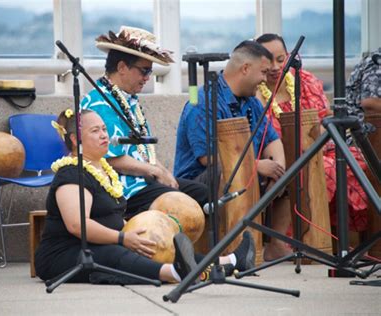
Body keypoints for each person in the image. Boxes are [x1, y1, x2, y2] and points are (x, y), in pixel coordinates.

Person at [34, 109, 256, 284]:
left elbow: (109, 217)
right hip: (64, 254)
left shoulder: (104, 170)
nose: (104, 135)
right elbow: (77, 225)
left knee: (152, 245)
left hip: (104, 242)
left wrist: (138, 232)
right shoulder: (72, 173)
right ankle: (175, 273)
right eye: (95, 131)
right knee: (114, 253)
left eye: (104, 129)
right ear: (75, 139)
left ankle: (228, 262)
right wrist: (122, 238)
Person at [174, 40, 291, 261]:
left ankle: (274, 244)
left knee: (288, 171)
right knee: (227, 173)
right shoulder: (202, 101)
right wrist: (256, 166)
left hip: (242, 170)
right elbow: (207, 158)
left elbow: (272, 141)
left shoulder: (252, 102)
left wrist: (278, 170)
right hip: (199, 180)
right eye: (264, 72)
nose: (266, 79)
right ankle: (231, 249)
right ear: (245, 68)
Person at [80, 26, 207, 219]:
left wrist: (164, 172)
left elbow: (144, 150)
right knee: (179, 203)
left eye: (150, 71)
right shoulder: (99, 102)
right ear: (122, 67)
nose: (147, 78)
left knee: (203, 193)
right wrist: (155, 171)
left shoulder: (127, 98)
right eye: (144, 71)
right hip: (123, 189)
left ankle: (217, 249)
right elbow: (111, 158)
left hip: (144, 182)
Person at [255, 34, 369, 233]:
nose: (274, 67)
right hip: (285, 158)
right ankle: (310, 234)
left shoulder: (305, 80)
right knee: (323, 169)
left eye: (280, 60)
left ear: (289, 56)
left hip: (319, 148)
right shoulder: (255, 93)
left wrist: (317, 140)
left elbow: (325, 118)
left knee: (357, 161)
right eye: (267, 61)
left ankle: (342, 234)